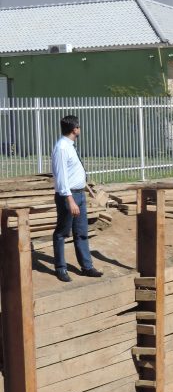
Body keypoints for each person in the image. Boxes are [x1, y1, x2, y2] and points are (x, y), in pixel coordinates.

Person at [52, 115, 102, 282]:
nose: (80, 129)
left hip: (79, 194)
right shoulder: (62, 148)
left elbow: (74, 171)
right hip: (69, 196)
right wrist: (70, 200)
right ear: (74, 129)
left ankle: (87, 267)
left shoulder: (71, 146)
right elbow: (61, 178)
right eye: (79, 127)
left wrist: (86, 187)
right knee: (62, 232)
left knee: (81, 232)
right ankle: (60, 268)